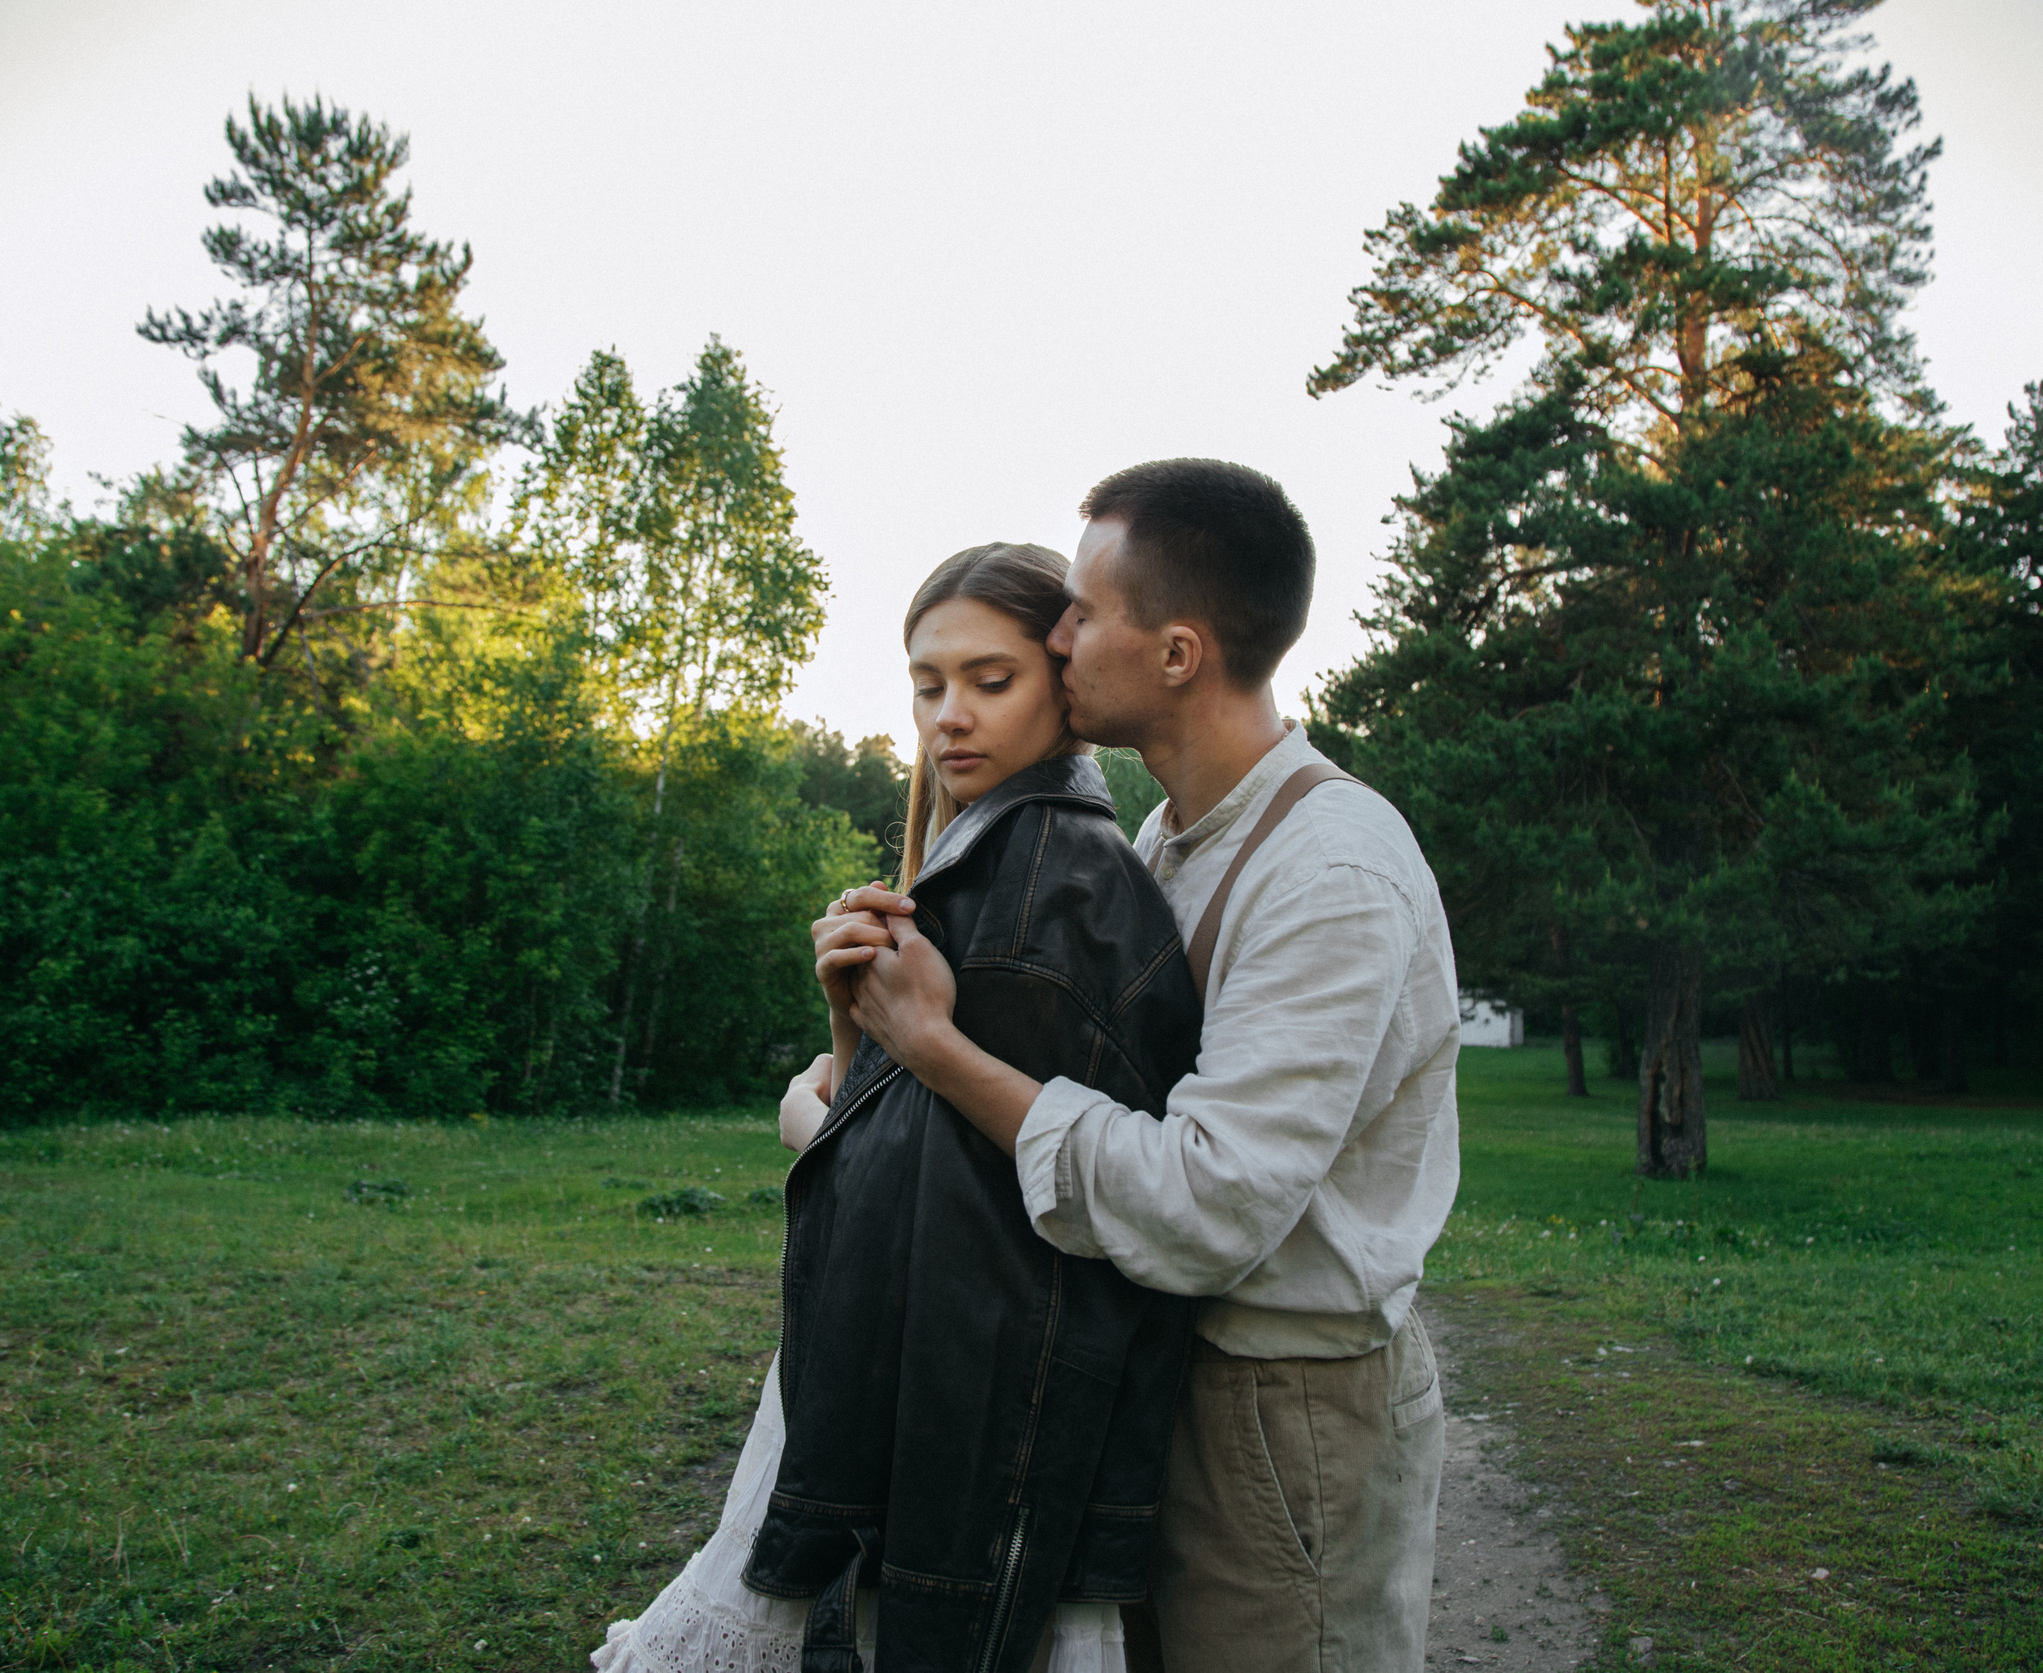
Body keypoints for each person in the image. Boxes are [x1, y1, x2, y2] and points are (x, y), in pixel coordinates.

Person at [840, 459, 1462, 1673]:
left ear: (1176, 654)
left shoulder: (1329, 872)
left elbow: (1205, 1203)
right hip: (1153, 1377)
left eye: (1080, 610)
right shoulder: (1163, 841)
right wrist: (863, 1037)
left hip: (1286, 1412)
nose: (1057, 634)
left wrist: (935, 1047)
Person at [594, 542, 1204, 1673]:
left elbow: (984, 1225)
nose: (950, 717)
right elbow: (923, 1136)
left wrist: (814, 1110)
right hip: (912, 1393)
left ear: (1063, 682)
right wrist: (848, 1029)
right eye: (928, 685)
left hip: (957, 1427)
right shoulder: (983, 867)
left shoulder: (1042, 896)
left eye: (990, 679)